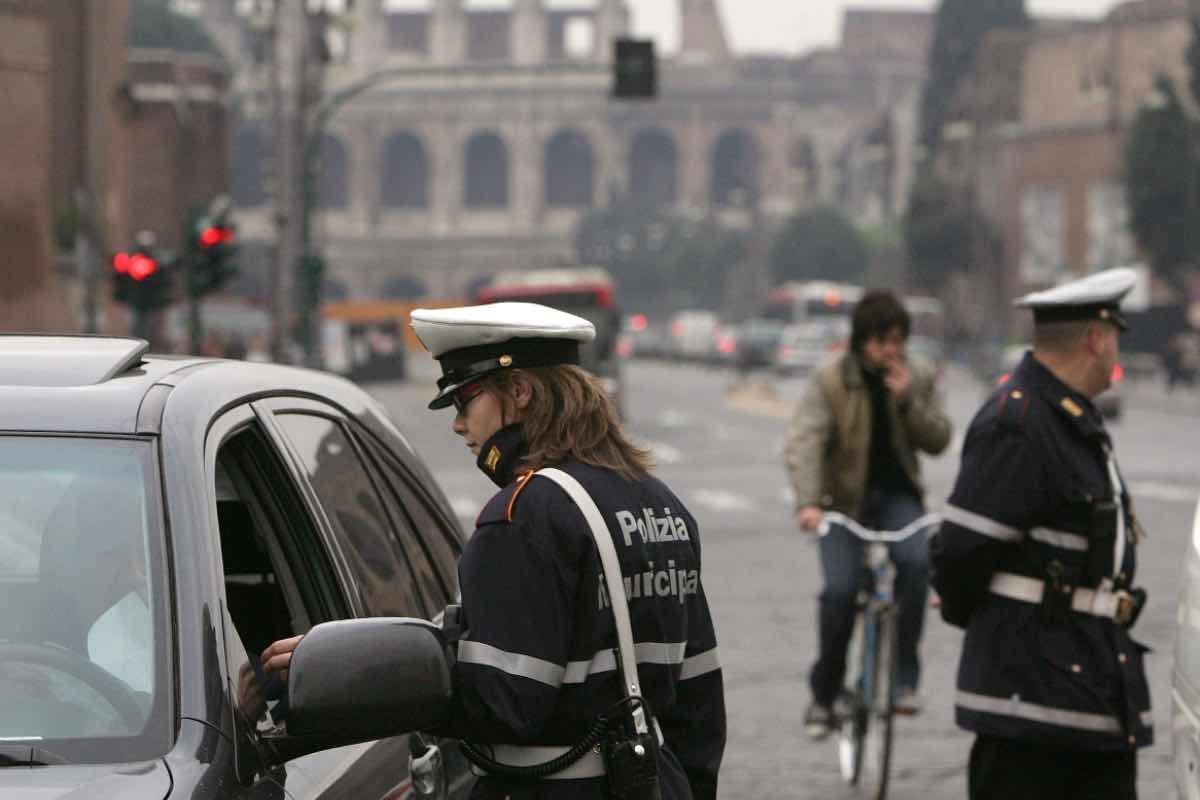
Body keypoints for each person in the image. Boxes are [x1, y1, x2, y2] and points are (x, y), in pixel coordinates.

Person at [262, 301, 726, 799]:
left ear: (520, 392)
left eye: (465, 401)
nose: (459, 425)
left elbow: (503, 699)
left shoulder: (524, 514)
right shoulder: (661, 504)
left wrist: (371, 669)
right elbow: (699, 701)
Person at [929, 267, 1152, 800]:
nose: (1117, 353)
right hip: (1031, 706)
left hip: (1086, 695)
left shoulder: (1069, 419)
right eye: (1116, 337)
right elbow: (961, 553)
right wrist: (1006, 629)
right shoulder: (1022, 423)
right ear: (1095, 339)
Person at [783, 289, 952, 738]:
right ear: (861, 341)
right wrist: (808, 503)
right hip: (842, 503)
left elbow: (938, 440)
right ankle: (825, 695)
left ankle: (904, 679)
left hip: (899, 498)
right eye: (881, 341)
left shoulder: (916, 374)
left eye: (898, 341)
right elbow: (805, 441)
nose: (890, 351)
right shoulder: (831, 378)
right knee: (839, 593)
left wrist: (908, 402)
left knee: (916, 566)